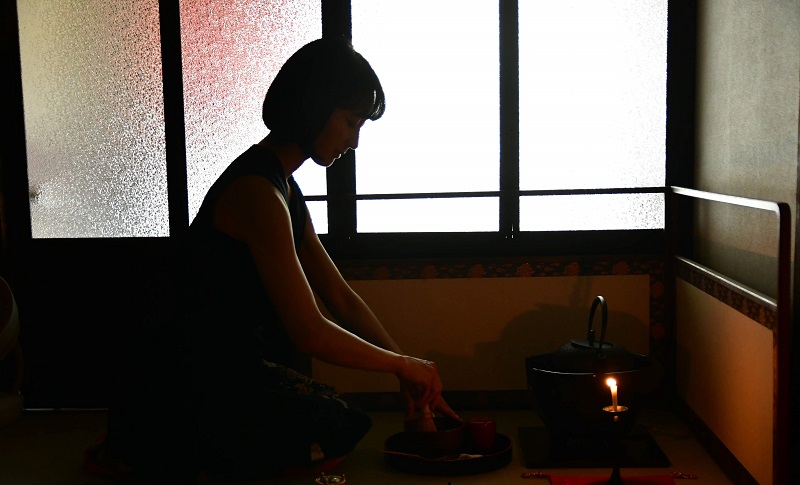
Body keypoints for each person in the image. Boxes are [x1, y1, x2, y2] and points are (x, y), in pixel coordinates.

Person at [88, 37, 458, 483]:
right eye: (350, 122)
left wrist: (406, 368)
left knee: (338, 420)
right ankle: (153, 451)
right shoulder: (256, 192)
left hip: (228, 370)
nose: (354, 141)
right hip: (184, 378)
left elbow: (340, 297)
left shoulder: (285, 189)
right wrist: (402, 365)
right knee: (332, 430)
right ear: (314, 106)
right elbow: (309, 331)